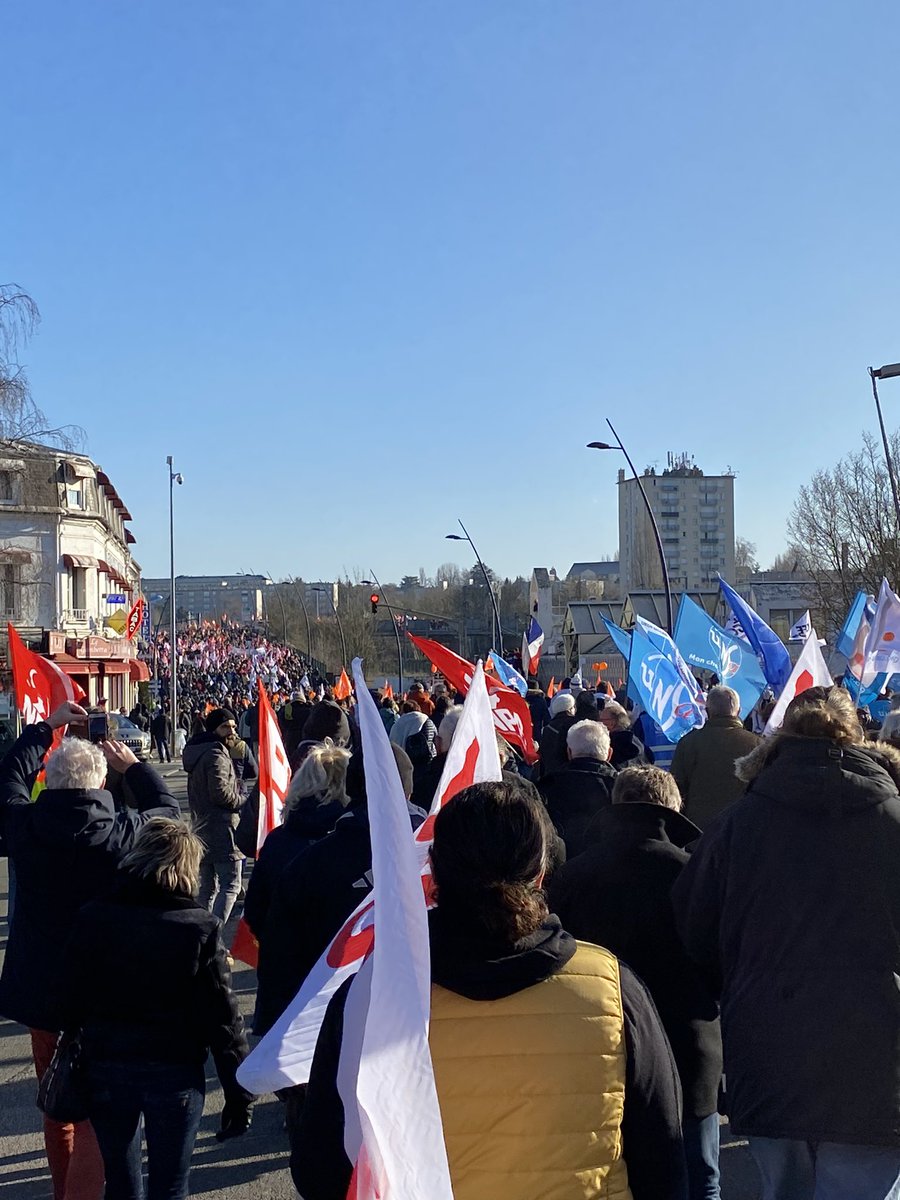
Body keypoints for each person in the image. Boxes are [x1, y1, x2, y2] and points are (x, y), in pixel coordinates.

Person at [292, 779, 687, 1200]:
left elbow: (321, 1166)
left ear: (435, 871)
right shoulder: (612, 988)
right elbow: (663, 1157)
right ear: (540, 873)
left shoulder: (370, 996)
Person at [673, 686, 900, 1200]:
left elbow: (694, 926)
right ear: (857, 734)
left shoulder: (737, 825)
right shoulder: (892, 821)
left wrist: (740, 985)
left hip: (769, 1041)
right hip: (877, 1051)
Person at [0, 700, 179, 1200]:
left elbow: (8, 777)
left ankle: (65, 1191)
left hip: (45, 992)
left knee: (57, 1103)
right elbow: (168, 812)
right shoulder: (123, 833)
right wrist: (136, 767)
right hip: (108, 992)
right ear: (101, 784)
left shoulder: (26, 827)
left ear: (50, 782)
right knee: (104, 1107)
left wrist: (46, 730)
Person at [549, 766, 722, 1199]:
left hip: (599, 1046)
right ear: (672, 808)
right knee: (700, 1177)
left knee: (606, 1175)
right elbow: (720, 958)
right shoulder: (694, 872)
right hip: (688, 1045)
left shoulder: (574, 875)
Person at [59, 818, 253, 1200]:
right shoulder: (199, 927)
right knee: (170, 1186)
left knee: (120, 1183)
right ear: (188, 868)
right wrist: (237, 1092)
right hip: (174, 1071)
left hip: (107, 1066)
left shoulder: (93, 917)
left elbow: (68, 997)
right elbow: (223, 1019)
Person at [243, 740, 352, 940]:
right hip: (332, 962)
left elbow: (254, 910)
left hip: (282, 959)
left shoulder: (277, 840)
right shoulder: (353, 845)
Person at [182, 707, 244, 923]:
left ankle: (199, 935)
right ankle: (213, 937)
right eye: (225, 726)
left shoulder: (202, 751)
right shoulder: (215, 754)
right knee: (231, 885)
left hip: (202, 828)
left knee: (207, 888)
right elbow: (221, 794)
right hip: (222, 829)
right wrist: (243, 800)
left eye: (233, 726)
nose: (231, 731)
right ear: (213, 729)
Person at [670, 686, 760, 830]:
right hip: (742, 831)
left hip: (697, 833)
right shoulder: (757, 745)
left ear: (707, 711)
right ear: (739, 712)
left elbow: (676, 790)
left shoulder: (689, 743)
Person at [538, 718, 617, 857]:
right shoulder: (621, 788)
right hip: (607, 868)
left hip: (558, 868)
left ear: (569, 752)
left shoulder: (547, 786)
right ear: (609, 754)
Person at [598, 700, 652, 767]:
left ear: (611, 723)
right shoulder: (638, 742)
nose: (599, 723)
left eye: (601, 720)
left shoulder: (611, 745)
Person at [537, 691, 577, 777]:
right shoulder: (576, 726)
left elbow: (543, 756)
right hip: (571, 775)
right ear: (570, 709)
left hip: (550, 776)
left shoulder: (547, 729)